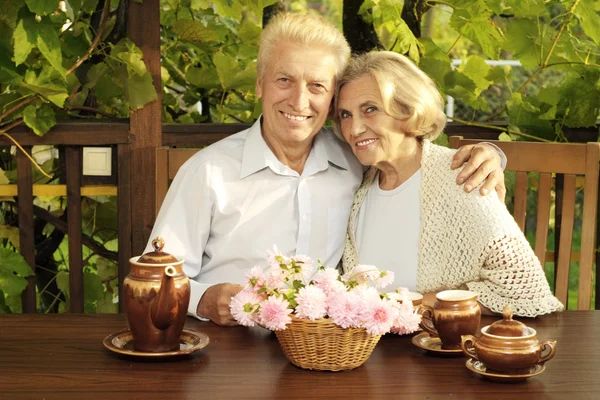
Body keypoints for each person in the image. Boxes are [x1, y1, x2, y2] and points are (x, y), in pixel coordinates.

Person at [147, 13, 507, 326]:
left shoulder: (356, 160)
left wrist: (491, 154)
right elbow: (152, 279)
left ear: (333, 97)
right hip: (229, 347)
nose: (299, 101)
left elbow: (412, 155)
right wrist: (204, 300)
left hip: (331, 352)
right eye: (284, 80)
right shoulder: (208, 172)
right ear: (259, 83)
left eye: (317, 86)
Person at [336, 51, 563, 317]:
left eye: (370, 109)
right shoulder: (355, 180)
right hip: (357, 349)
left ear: (408, 109)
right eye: (345, 115)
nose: (353, 129)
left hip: (434, 349)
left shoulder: (462, 178)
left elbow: (526, 288)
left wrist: (414, 307)